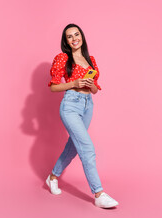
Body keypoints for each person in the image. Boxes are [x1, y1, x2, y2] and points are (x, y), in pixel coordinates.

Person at [45, 23, 119, 208]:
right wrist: (75, 83)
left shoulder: (90, 60)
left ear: (82, 36)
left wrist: (89, 83)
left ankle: (52, 176)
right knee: (87, 148)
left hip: (87, 106)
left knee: (73, 147)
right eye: (69, 36)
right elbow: (54, 86)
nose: (74, 38)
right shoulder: (63, 58)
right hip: (70, 105)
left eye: (76, 34)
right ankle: (99, 194)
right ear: (66, 41)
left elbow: (94, 89)